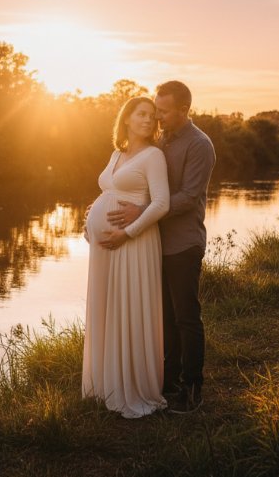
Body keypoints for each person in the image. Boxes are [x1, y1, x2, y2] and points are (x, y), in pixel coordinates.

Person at [108, 80, 216, 413]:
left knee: (186, 317)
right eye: (156, 111)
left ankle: (192, 388)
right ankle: (169, 381)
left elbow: (187, 197)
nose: (158, 118)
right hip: (153, 242)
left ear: (184, 110)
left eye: (164, 112)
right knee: (165, 320)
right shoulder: (162, 139)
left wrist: (143, 211)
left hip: (183, 243)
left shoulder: (200, 145)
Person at [82, 96, 170, 418]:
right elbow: (109, 190)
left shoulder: (154, 156)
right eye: (141, 114)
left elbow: (161, 204)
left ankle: (132, 387)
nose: (148, 120)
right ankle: (104, 384)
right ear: (127, 119)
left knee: (128, 307)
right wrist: (91, 217)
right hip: (105, 246)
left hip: (133, 243)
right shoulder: (117, 153)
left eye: (152, 116)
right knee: (107, 307)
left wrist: (127, 232)